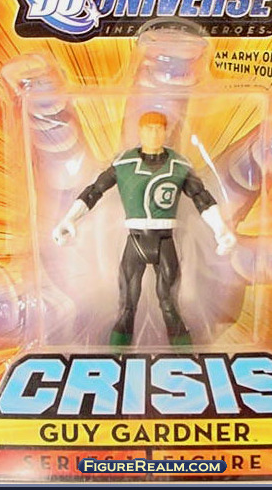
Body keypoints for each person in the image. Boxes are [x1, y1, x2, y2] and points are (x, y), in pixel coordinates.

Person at [53, 111, 236, 346]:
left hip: (165, 240)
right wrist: (70, 219)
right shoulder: (124, 164)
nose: (154, 134)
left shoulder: (178, 165)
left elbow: (201, 197)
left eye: (159, 129)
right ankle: (117, 353)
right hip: (136, 240)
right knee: (127, 304)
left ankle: (185, 352)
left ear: (166, 131)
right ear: (140, 131)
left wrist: (220, 228)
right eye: (149, 129)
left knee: (169, 302)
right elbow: (94, 191)